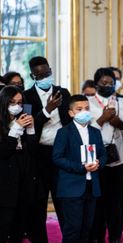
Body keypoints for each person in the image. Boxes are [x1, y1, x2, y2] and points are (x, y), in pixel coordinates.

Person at [23, 56, 72, 242]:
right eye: (41, 75)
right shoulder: (27, 96)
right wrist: (47, 110)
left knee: (64, 201)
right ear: (32, 75)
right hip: (39, 155)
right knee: (39, 203)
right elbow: (29, 126)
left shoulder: (63, 93)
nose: (45, 77)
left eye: (48, 73)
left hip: (61, 153)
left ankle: (68, 237)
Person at [52, 95, 106, 243]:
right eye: (79, 109)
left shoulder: (95, 132)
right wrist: (81, 168)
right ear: (71, 113)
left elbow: (103, 154)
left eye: (87, 108)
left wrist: (98, 163)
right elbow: (57, 158)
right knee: (73, 228)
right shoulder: (64, 132)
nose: (84, 112)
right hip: (71, 187)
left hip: (92, 186)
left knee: (87, 228)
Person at [87, 68, 123, 243]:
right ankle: (97, 236)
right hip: (96, 157)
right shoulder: (88, 103)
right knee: (98, 201)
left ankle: (115, 237)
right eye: (103, 83)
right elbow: (85, 131)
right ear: (96, 83)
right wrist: (103, 119)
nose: (107, 85)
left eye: (111, 83)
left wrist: (119, 123)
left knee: (117, 202)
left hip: (119, 157)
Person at [0, 86, 36, 242]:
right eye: (12, 102)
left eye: (20, 102)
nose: (17, 106)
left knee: (19, 225)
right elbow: (3, 152)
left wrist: (31, 129)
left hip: (23, 178)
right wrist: (15, 129)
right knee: (4, 224)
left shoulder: (22, 119)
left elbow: (33, 151)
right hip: (4, 181)